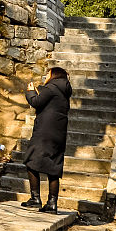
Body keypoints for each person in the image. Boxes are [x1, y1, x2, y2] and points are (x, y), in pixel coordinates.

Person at [22, 66, 72, 213]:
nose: (46, 76)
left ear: (54, 75)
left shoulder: (51, 88)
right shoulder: (64, 92)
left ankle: (35, 198)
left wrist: (30, 91)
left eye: (48, 74)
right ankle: (52, 204)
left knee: (31, 161)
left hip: (44, 132)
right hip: (59, 134)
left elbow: (36, 102)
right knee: (54, 168)